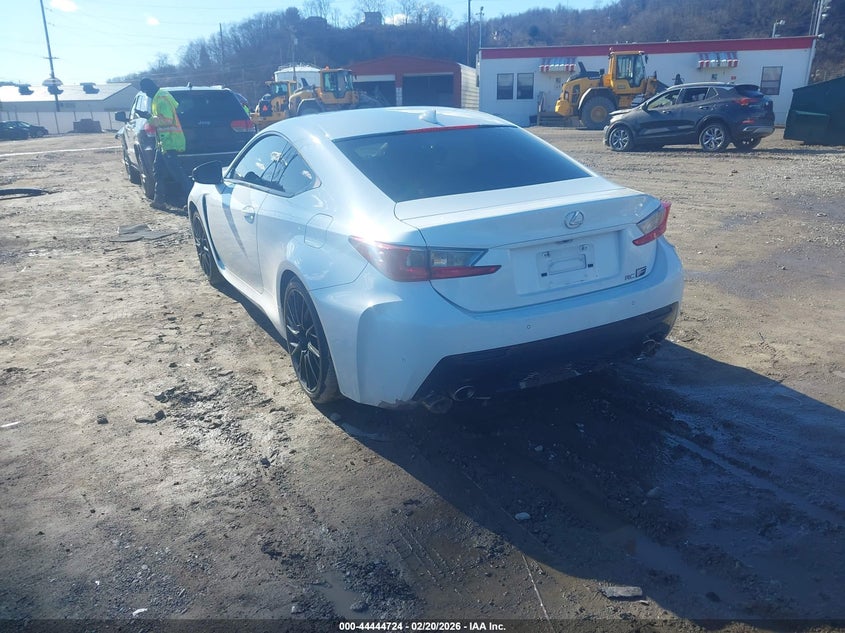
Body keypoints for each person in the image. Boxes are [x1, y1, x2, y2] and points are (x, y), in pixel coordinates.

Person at [139, 77, 190, 211]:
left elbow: (166, 120)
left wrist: (148, 117)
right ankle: (159, 200)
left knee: (177, 174)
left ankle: (191, 200)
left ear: (149, 87)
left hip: (169, 142)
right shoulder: (158, 97)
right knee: (158, 171)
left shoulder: (161, 98)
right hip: (162, 143)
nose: (146, 94)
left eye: (145, 91)